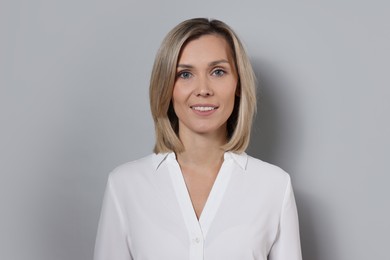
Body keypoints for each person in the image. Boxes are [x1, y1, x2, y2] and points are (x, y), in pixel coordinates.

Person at [94, 18, 302, 260]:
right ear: (166, 86)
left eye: (218, 72)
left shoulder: (274, 186)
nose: (203, 89)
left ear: (238, 83)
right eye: (185, 74)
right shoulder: (125, 186)